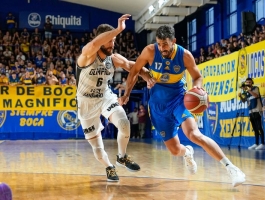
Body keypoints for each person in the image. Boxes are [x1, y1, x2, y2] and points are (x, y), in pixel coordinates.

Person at [119, 25, 245, 187]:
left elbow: (197, 76)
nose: (162, 48)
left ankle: (232, 168)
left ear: (174, 41)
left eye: (165, 44)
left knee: (194, 134)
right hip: (158, 107)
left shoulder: (184, 55)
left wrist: (196, 88)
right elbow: (134, 71)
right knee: (175, 150)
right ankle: (187, 152)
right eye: (159, 44)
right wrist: (127, 93)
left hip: (179, 100)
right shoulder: (150, 51)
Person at [76, 14, 151, 182]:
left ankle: (122, 156)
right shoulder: (87, 56)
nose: (113, 43)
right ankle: (109, 167)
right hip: (86, 102)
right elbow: (93, 44)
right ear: (101, 40)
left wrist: (147, 76)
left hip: (105, 96)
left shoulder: (114, 58)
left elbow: (134, 66)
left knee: (124, 123)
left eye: (114, 40)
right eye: (110, 40)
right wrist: (118, 29)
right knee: (97, 147)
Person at [239, 78, 265, 150]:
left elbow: (256, 95)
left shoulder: (255, 88)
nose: (248, 83)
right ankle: (256, 143)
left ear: (252, 83)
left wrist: (248, 90)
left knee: (259, 127)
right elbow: (244, 101)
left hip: (257, 109)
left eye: (249, 82)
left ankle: (262, 143)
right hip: (251, 111)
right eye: (247, 82)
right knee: (255, 128)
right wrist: (240, 96)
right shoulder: (246, 92)